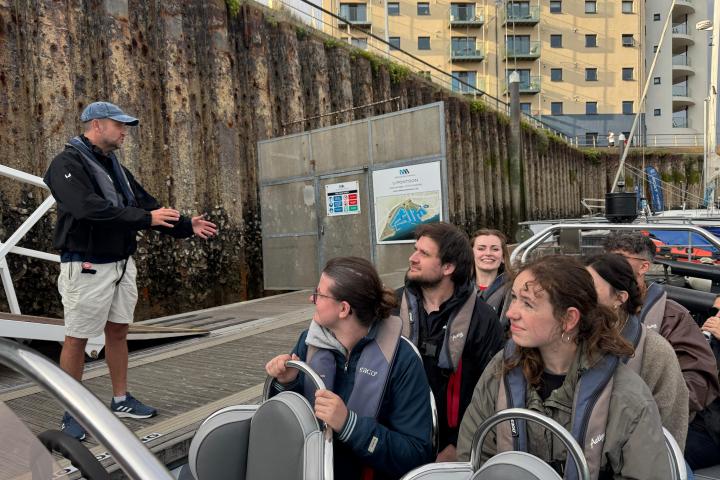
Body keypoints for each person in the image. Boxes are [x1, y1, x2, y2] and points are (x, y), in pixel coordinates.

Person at [43, 101, 217, 441]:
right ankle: (72, 411)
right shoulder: (65, 164)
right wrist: (145, 219)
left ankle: (120, 398)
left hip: (122, 263)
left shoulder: (115, 167)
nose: (125, 131)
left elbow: (146, 206)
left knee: (119, 331)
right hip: (87, 263)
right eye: (119, 124)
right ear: (95, 125)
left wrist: (185, 225)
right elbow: (86, 208)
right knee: (77, 338)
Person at [456, 255, 672, 478]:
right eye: (514, 298)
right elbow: (471, 459)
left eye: (528, 303)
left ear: (568, 319)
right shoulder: (500, 372)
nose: (511, 312)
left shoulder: (627, 398)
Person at [265, 257, 434, 480]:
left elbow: (416, 454)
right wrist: (287, 383)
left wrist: (349, 425)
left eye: (319, 294)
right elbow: (282, 427)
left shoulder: (403, 360)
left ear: (343, 309)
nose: (311, 299)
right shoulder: (308, 342)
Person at [395, 222, 504, 462]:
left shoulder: (483, 319)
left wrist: (459, 444)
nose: (412, 258)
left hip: (452, 449)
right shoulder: (391, 308)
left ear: (448, 267)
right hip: (395, 440)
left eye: (424, 253)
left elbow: (493, 390)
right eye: (415, 250)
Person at [603, 232, 720, 418]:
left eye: (618, 259)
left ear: (644, 267)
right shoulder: (588, 310)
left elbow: (698, 381)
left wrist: (647, 411)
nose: (607, 266)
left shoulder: (672, 317)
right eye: (605, 258)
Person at [584, 253, 689, 448]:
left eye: (589, 288)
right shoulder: (569, 342)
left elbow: (671, 426)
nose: (579, 296)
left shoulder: (655, 351)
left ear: (620, 298)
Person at [685, 298, 720, 469]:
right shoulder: (707, 343)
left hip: (712, 432)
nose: (717, 318)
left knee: (666, 456)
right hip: (691, 418)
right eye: (714, 312)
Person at [471, 229, 511, 315]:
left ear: (503, 257)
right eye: (481, 249)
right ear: (471, 254)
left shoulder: (513, 288)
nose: (488, 253)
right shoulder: (458, 287)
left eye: (495, 249)